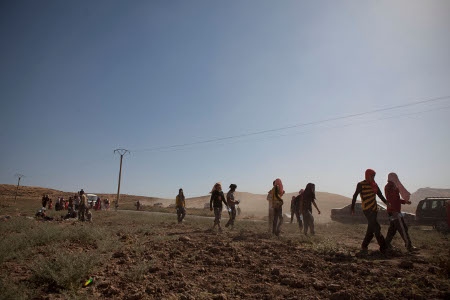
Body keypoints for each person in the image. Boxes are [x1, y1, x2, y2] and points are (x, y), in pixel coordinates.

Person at [352, 169, 388, 253]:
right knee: (376, 227)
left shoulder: (374, 185)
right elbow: (355, 196)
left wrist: (387, 203)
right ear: (367, 175)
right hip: (367, 210)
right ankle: (384, 247)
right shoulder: (361, 184)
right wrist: (352, 207)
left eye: (374, 176)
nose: (373, 178)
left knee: (371, 229)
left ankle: (364, 245)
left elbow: (380, 195)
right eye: (372, 176)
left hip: (374, 209)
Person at [384, 173, 417, 252]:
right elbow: (392, 199)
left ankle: (386, 245)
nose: (397, 179)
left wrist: (405, 202)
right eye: (395, 177)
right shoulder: (391, 186)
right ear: (392, 178)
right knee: (403, 228)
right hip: (394, 211)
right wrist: (395, 210)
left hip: (392, 211)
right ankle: (409, 245)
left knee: (393, 229)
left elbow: (395, 199)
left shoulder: (391, 186)